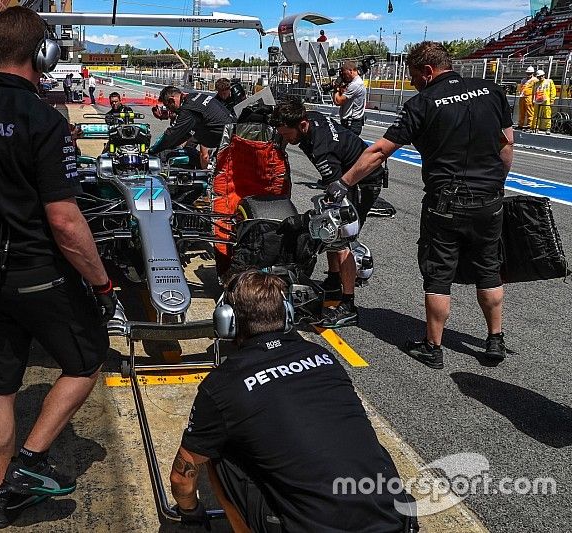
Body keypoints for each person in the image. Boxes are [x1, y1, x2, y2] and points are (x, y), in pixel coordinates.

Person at [0, 7, 118, 528]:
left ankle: (3, 493)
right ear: (44, 56)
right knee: (86, 360)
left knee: (0, 386)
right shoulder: (45, 120)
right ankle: (29, 466)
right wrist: (102, 283)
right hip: (38, 272)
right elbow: (65, 221)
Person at [170, 269, 412, 532]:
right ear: (287, 314)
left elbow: (181, 477)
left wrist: (190, 512)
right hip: (394, 519)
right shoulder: (323, 357)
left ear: (227, 321)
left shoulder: (222, 385)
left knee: (215, 449)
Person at [326, 41, 513, 367]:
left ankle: (433, 347)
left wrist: (343, 183)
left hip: (446, 202)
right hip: (489, 199)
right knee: (489, 269)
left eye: (413, 76)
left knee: (438, 275)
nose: (412, 83)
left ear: (427, 71)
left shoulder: (423, 103)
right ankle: (494, 339)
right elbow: (506, 143)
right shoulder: (492, 90)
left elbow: (380, 152)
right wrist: (496, 184)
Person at [271, 97, 385, 328]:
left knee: (339, 235)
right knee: (331, 235)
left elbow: (336, 199)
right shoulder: (309, 118)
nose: (285, 139)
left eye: (287, 135)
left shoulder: (322, 149)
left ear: (301, 126)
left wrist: (304, 221)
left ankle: (348, 304)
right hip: (348, 175)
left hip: (362, 182)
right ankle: (334, 280)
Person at [149, 85, 233, 155]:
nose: (169, 109)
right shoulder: (193, 96)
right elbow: (186, 133)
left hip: (227, 138)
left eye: (168, 106)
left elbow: (172, 134)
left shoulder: (187, 109)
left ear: (172, 100)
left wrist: (153, 150)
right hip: (231, 131)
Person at [332, 59, 367, 136]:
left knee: (347, 147)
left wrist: (336, 88)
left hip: (352, 123)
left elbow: (338, 101)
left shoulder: (356, 84)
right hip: (349, 122)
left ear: (350, 71)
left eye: (345, 74)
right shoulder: (353, 83)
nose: (344, 77)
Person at [532, 69, 556, 133]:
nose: (540, 78)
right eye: (538, 77)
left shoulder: (549, 82)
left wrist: (552, 100)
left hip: (546, 100)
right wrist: (533, 100)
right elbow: (533, 92)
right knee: (536, 114)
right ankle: (535, 127)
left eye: (541, 76)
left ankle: (548, 128)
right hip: (537, 100)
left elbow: (553, 91)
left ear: (543, 75)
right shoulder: (536, 83)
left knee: (547, 114)